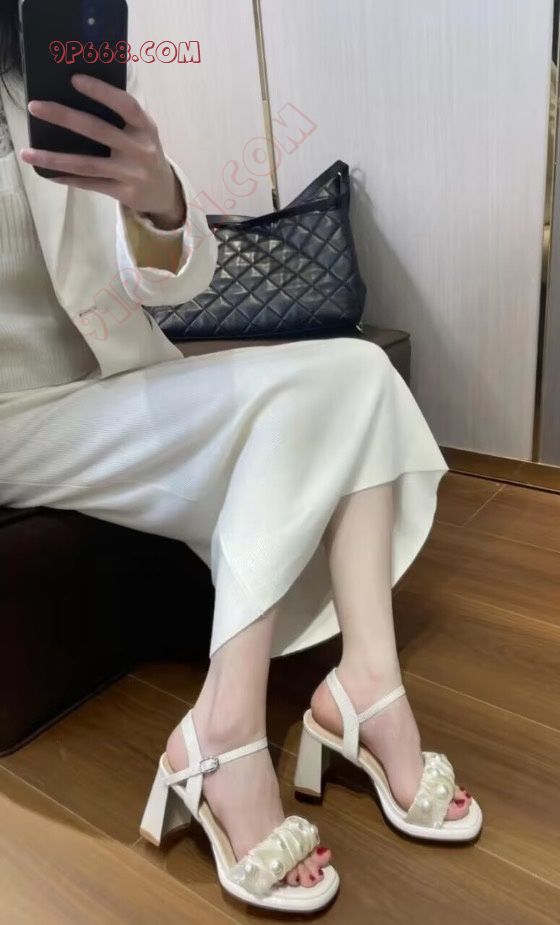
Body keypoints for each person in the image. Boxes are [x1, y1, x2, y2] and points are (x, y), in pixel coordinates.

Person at [0, 4, 481, 913]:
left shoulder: (44, 68)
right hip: (14, 415)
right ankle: (224, 734)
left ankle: (366, 683)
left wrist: (161, 200)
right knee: (303, 401)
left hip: (118, 378)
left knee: (357, 372)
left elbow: (173, 279)